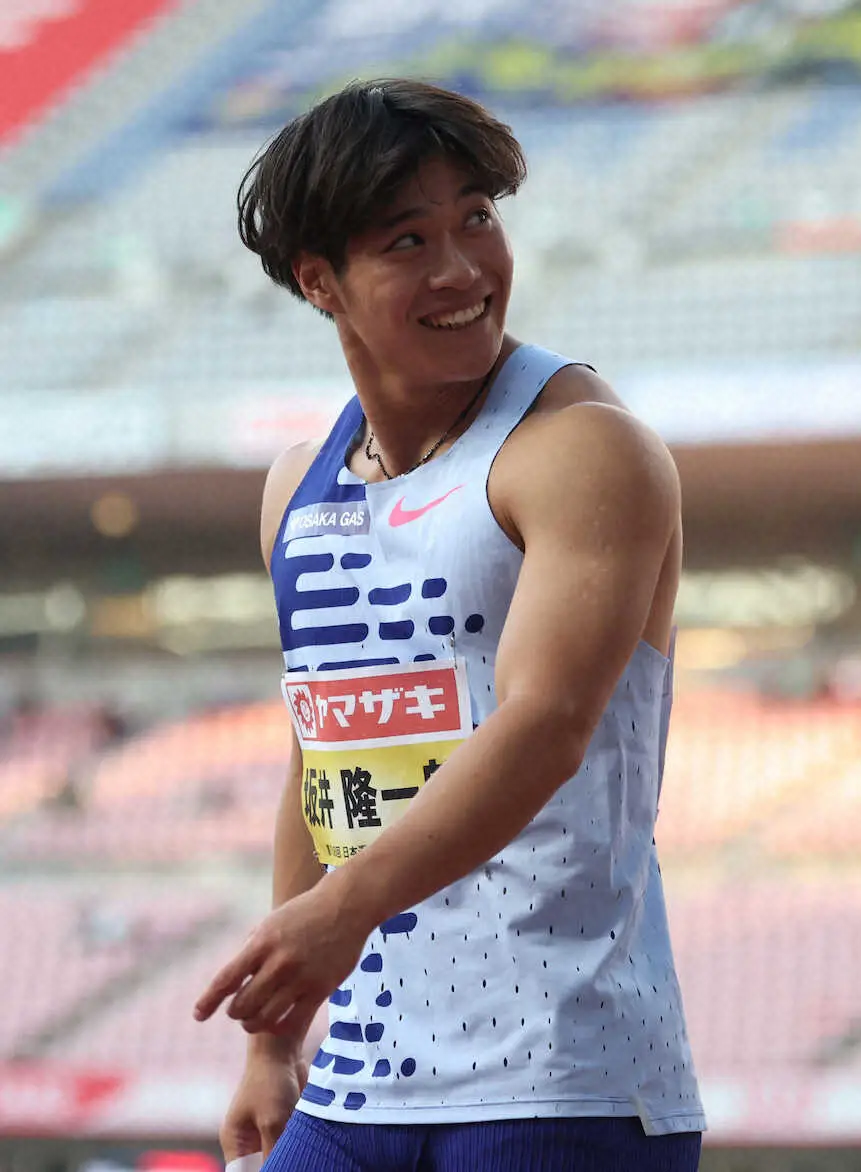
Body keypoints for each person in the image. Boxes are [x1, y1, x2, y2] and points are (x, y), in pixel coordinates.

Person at [193, 79, 706, 1172]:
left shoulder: (583, 447)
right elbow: (322, 754)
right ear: (319, 279)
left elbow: (546, 723)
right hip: (360, 1077)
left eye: (476, 218)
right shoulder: (297, 488)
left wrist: (344, 910)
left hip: (563, 1078)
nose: (464, 269)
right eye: (408, 241)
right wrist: (274, 1042)